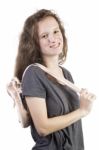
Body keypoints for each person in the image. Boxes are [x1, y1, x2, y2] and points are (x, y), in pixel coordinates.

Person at [7, 9, 95, 150]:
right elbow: (42, 127)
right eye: (44, 36)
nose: (52, 39)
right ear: (35, 43)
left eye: (56, 31)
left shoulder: (66, 74)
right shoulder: (33, 74)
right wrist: (82, 111)